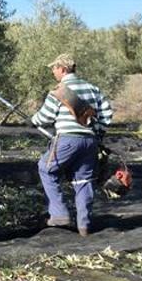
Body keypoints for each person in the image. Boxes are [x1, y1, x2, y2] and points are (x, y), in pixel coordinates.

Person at [31, 53, 113, 237]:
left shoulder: (60, 90)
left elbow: (45, 117)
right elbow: (107, 113)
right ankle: (84, 227)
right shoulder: (93, 89)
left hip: (67, 139)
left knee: (46, 168)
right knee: (83, 181)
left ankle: (59, 214)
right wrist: (98, 132)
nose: (53, 71)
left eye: (54, 68)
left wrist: (33, 119)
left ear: (63, 68)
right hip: (90, 141)